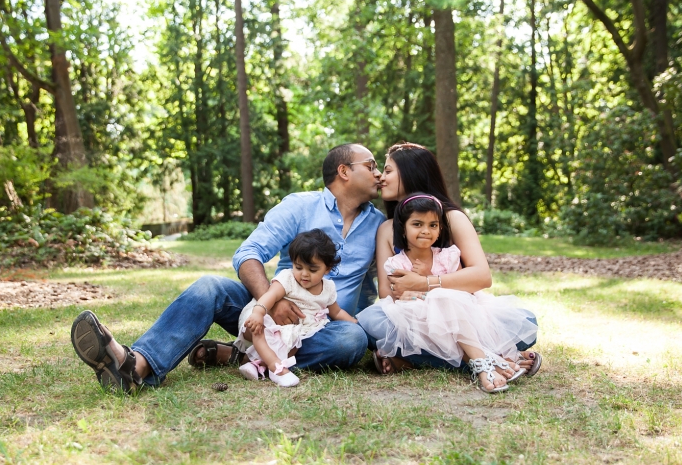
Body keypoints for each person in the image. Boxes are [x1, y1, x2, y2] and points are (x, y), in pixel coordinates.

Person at [70, 143, 385, 393]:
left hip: (322, 327)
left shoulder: (379, 226)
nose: (378, 174)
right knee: (209, 286)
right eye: (371, 166)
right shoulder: (300, 205)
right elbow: (248, 254)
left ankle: (245, 355)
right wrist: (269, 302)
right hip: (269, 309)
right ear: (343, 171)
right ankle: (136, 365)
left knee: (350, 342)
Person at [357, 142, 543, 379]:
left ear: (411, 173)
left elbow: (481, 277)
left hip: (463, 313)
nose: (381, 177)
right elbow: (387, 292)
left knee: (527, 321)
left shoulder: (452, 218)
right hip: (414, 317)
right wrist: (415, 295)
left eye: (389, 170)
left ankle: (409, 360)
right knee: (373, 323)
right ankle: (493, 358)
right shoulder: (387, 229)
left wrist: (423, 283)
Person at [235, 229, 359, 387]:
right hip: (266, 318)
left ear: (327, 269)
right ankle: (277, 369)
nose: (304, 274)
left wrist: (354, 323)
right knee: (260, 331)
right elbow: (270, 296)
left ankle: (257, 364)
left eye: (312, 270)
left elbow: (337, 312)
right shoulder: (288, 279)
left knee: (294, 344)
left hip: (296, 329)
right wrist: (258, 312)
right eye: (298, 267)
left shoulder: (328, 288)